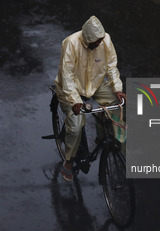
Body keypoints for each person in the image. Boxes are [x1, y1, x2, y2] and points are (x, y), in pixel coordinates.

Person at [54, 15, 126, 182]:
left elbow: (111, 66)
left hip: (95, 83)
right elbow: (67, 76)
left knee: (116, 105)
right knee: (76, 125)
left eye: (100, 40)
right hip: (70, 89)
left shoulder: (106, 40)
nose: (98, 44)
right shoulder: (70, 43)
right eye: (95, 42)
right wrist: (75, 101)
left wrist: (117, 88)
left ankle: (104, 136)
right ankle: (69, 161)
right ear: (86, 38)